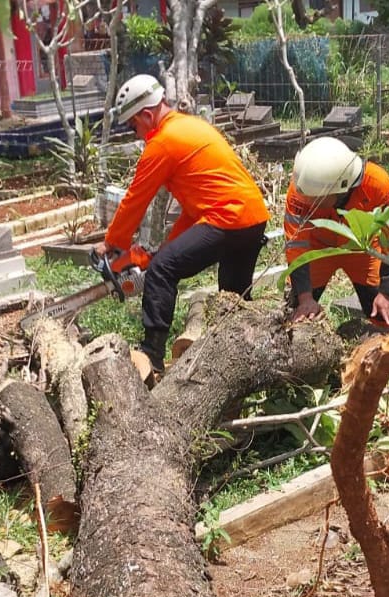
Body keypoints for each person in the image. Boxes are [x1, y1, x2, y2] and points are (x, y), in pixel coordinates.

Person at [96, 74, 270, 375]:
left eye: (135, 125)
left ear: (147, 115)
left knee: (162, 271)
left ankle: (151, 354)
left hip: (227, 217)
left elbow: (135, 199)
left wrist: (112, 244)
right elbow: (196, 206)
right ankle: (251, 359)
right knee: (233, 297)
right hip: (251, 218)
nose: (137, 133)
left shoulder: (163, 142)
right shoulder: (191, 126)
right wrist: (165, 248)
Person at [284, 136, 389, 329]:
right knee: (297, 313)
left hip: (362, 248)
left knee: (384, 314)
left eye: (315, 199)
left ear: (339, 188)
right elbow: (296, 246)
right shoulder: (302, 188)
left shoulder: (378, 186)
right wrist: (305, 297)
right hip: (317, 249)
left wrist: (387, 293)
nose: (308, 203)